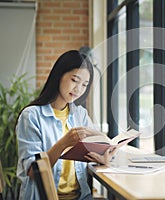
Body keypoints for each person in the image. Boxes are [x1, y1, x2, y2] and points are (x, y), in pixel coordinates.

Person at [16, 50, 115, 200]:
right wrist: (63, 144)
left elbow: (94, 147)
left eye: (84, 84)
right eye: (75, 80)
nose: (78, 89)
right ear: (59, 75)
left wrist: (102, 158)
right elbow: (32, 171)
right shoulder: (31, 116)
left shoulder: (80, 114)